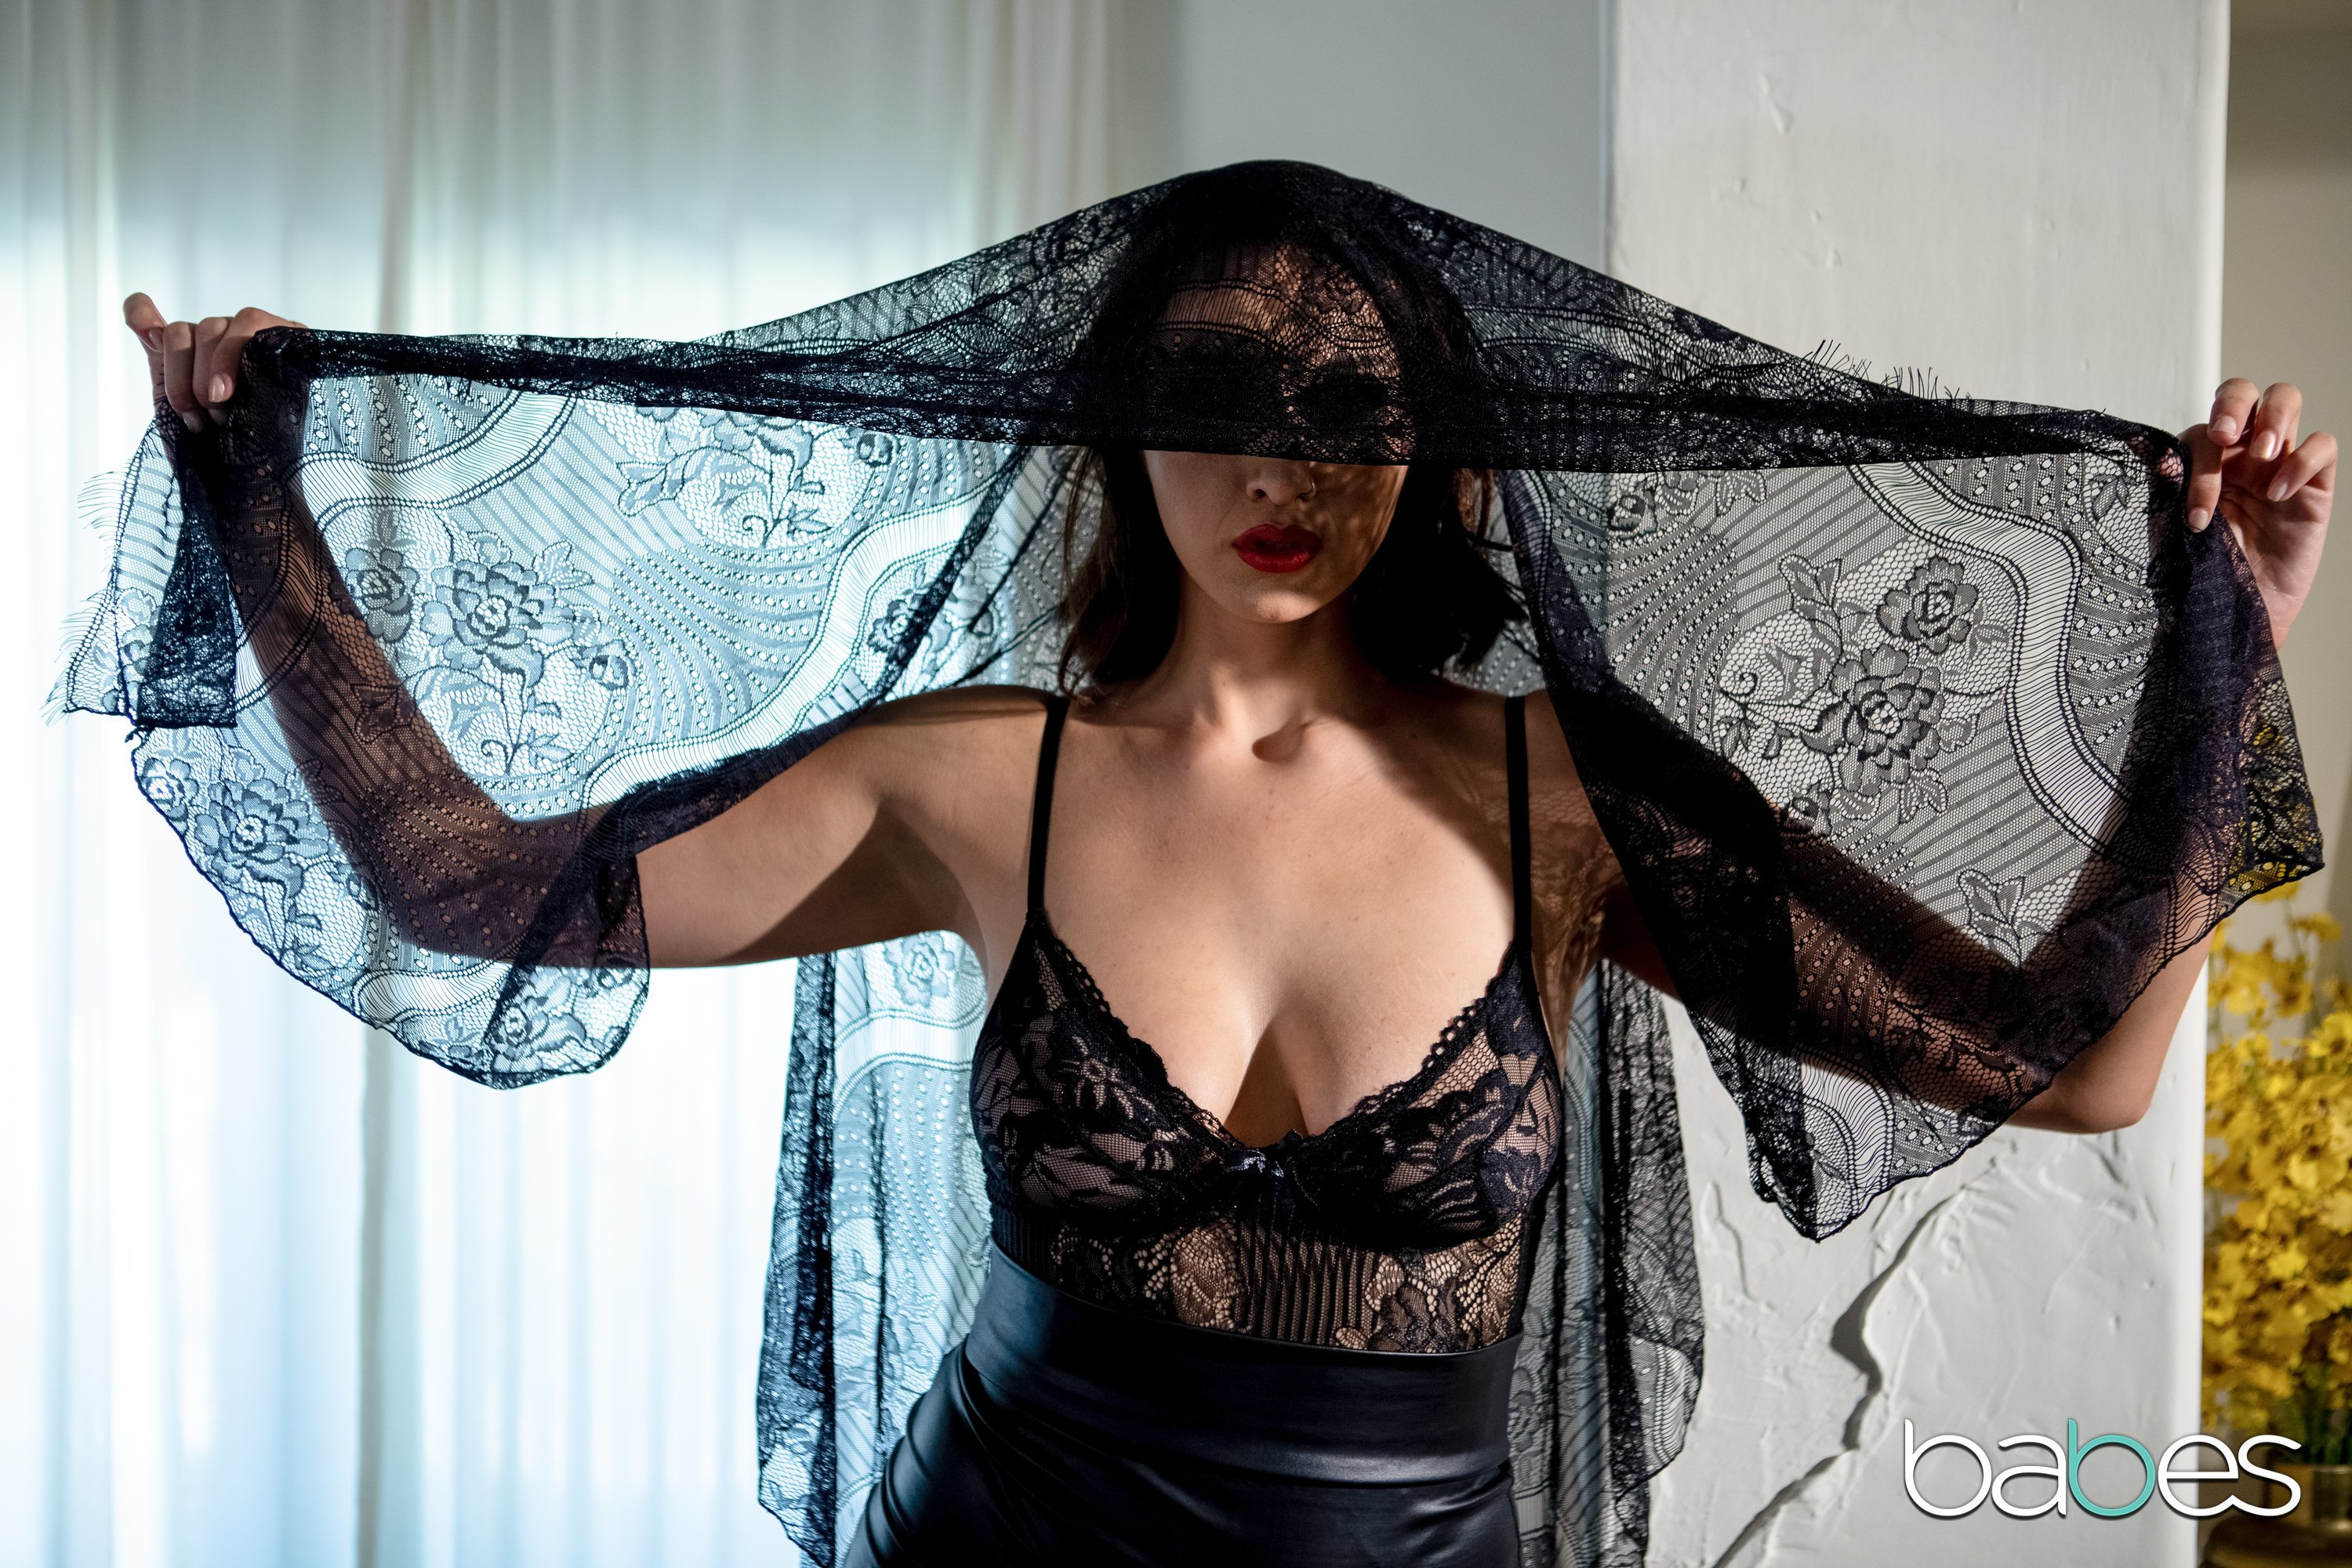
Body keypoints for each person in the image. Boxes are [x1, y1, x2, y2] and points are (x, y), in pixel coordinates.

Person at [100, 163, 2332, 1565]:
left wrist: (2225, 645)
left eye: (1351, 407)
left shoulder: (1567, 803)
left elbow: (2073, 1065)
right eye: (1221, 391)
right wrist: (254, 505)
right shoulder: (969, 783)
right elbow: (472, 891)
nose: (1286, 467)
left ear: (1438, 446)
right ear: (1115, 419)